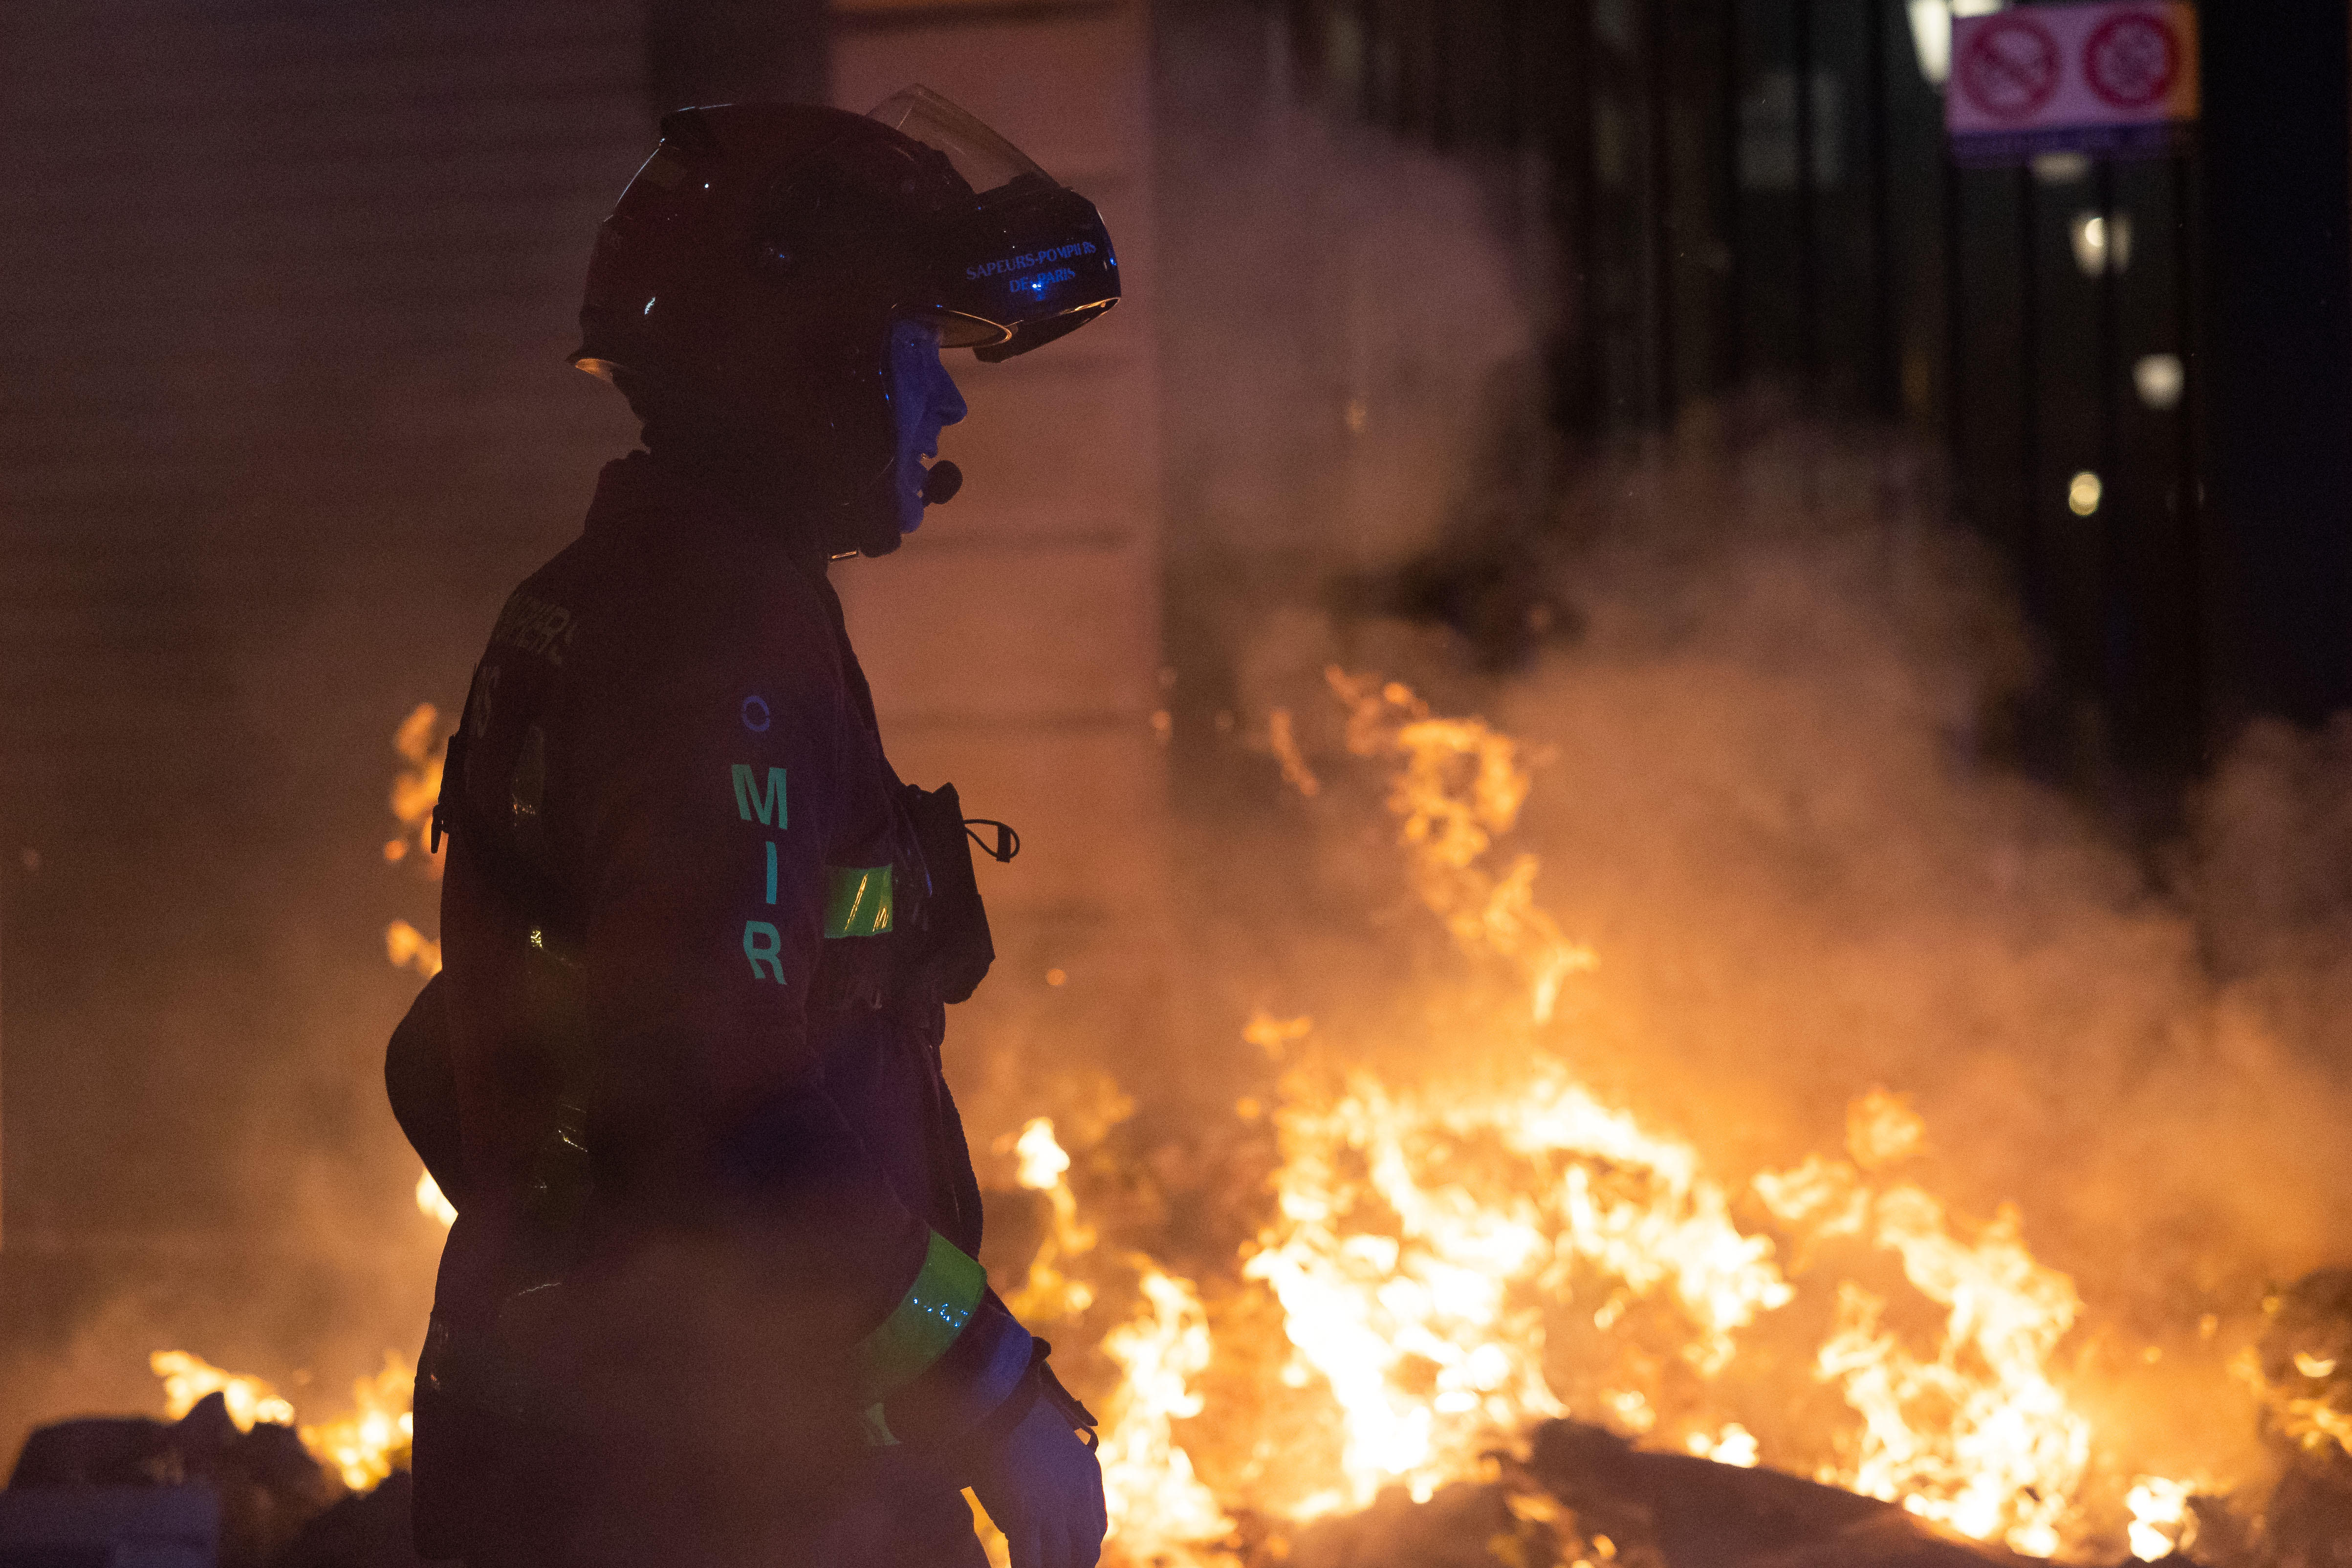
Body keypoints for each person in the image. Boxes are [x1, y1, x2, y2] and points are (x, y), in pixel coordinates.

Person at [384, 87, 1121, 1568]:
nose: (947, 404)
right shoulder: (719, 645)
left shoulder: (618, 594)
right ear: (815, 361)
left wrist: (565, 1258)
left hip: (606, 1460)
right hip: (709, 1489)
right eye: (919, 350)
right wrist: (990, 1392)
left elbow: (444, 1055)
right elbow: (726, 1109)